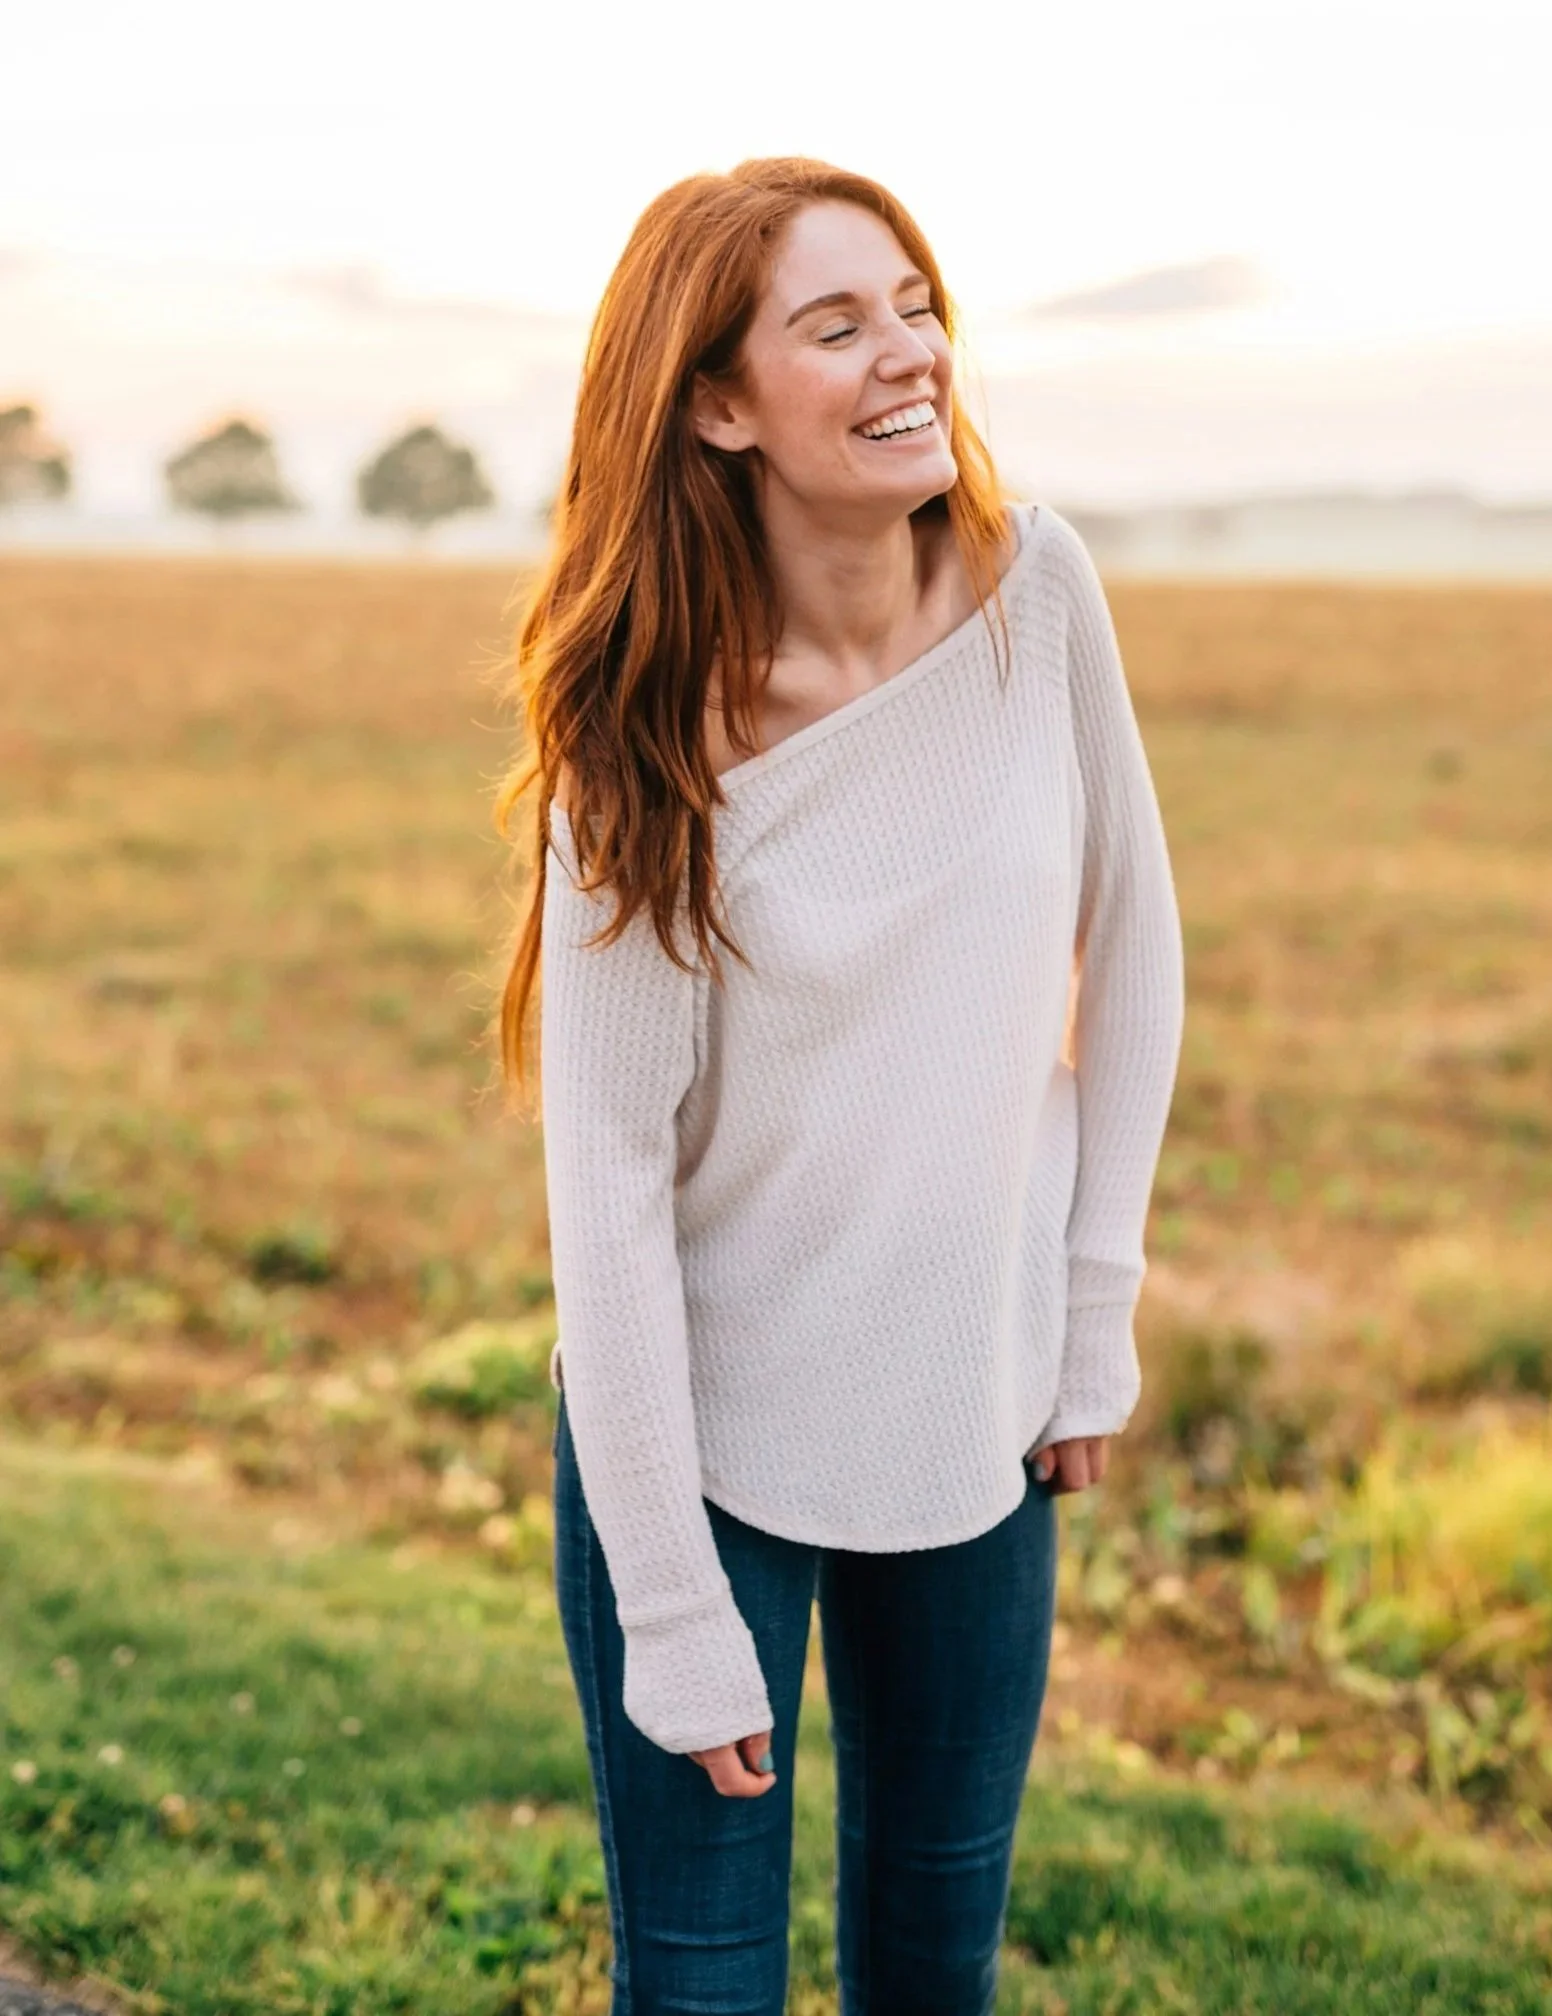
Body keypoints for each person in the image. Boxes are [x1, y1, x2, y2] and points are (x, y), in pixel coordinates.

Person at [494, 155, 1185, 2016]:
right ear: (715, 406)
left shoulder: (1038, 592)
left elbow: (1135, 951)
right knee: (702, 1987)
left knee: (931, 1967)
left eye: (912, 303)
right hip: (701, 1446)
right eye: (834, 323)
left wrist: (1090, 1313)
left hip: (977, 1413)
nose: (910, 354)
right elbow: (610, 1193)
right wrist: (665, 1597)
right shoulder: (637, 745)